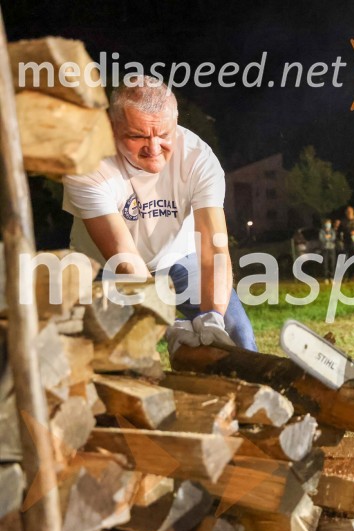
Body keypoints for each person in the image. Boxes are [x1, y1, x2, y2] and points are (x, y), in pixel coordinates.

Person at [62, 75, 257, 353]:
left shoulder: (198, 158)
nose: (154, 149)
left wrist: (212, 318)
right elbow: (123, 256)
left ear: (175, 123)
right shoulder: (87, 162)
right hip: (105, 267)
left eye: (164, 135)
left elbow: (214, 249)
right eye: (137, 135)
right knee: (112, 353)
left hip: (179, 255)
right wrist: (167, 324)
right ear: (112, 126)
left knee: (237, 333)